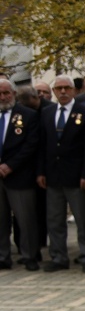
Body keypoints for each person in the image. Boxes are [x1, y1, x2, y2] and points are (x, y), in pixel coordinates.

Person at [38, 76, 85, 272]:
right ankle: (58, 257)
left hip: (77, 176)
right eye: (59, 89)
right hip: (53, 176)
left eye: (66, 88)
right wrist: (40, 171)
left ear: (74, 91)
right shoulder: (46, 113)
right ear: (54, 92)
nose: (63, 92)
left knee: (82, 219)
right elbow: (42, 146)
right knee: (55, 220)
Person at [0, 78, 42, 269]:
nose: (3, 97)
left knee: (25, 220)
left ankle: (29, 256)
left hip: (19, 175)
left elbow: (31, 145)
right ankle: (3, 256)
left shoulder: (28, 115)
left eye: (6, 93)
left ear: (14, 94)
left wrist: (10, 165)